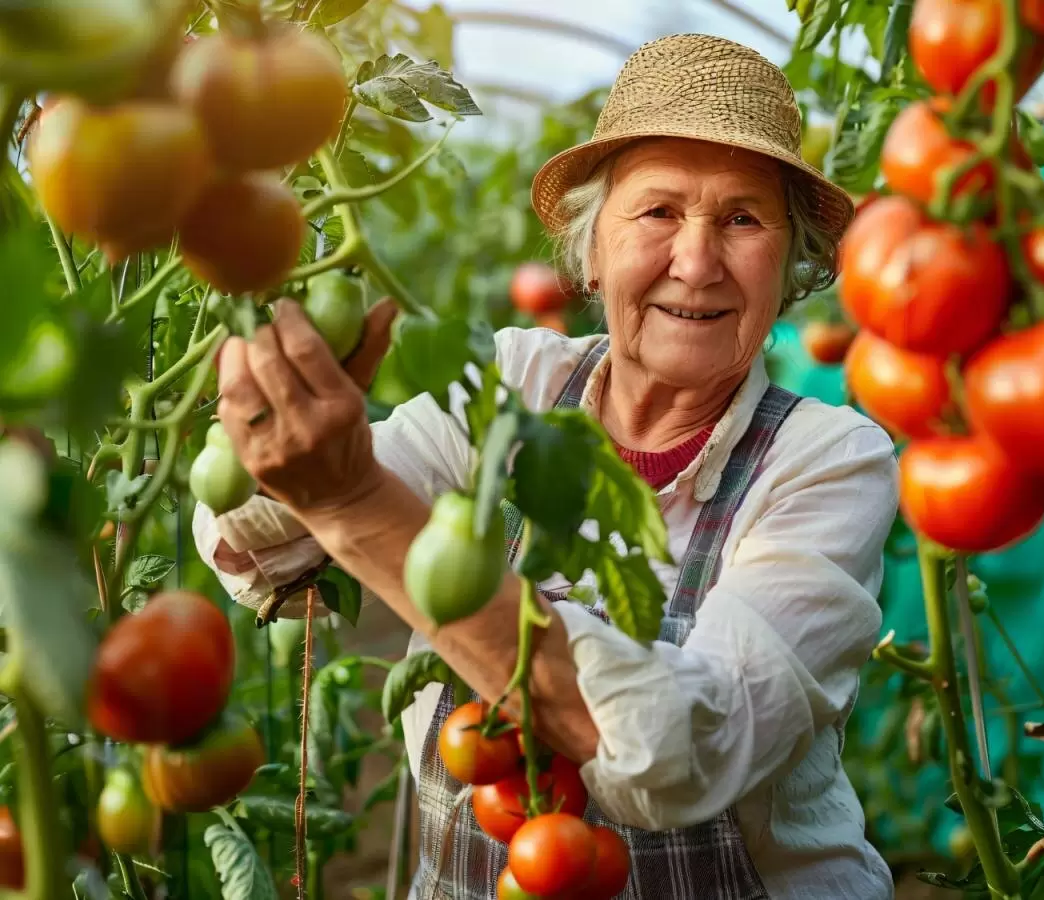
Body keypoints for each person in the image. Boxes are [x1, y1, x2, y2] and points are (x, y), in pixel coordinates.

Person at [194, 33, 899, 900]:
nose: (696, 260)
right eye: (658, 212)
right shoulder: (514, 383)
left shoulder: (826, 461)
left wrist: (355, 501)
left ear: (792, 266)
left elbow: (685, 753)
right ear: (590, 251)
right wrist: (283, 442)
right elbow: (258, 549)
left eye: (744, 219)